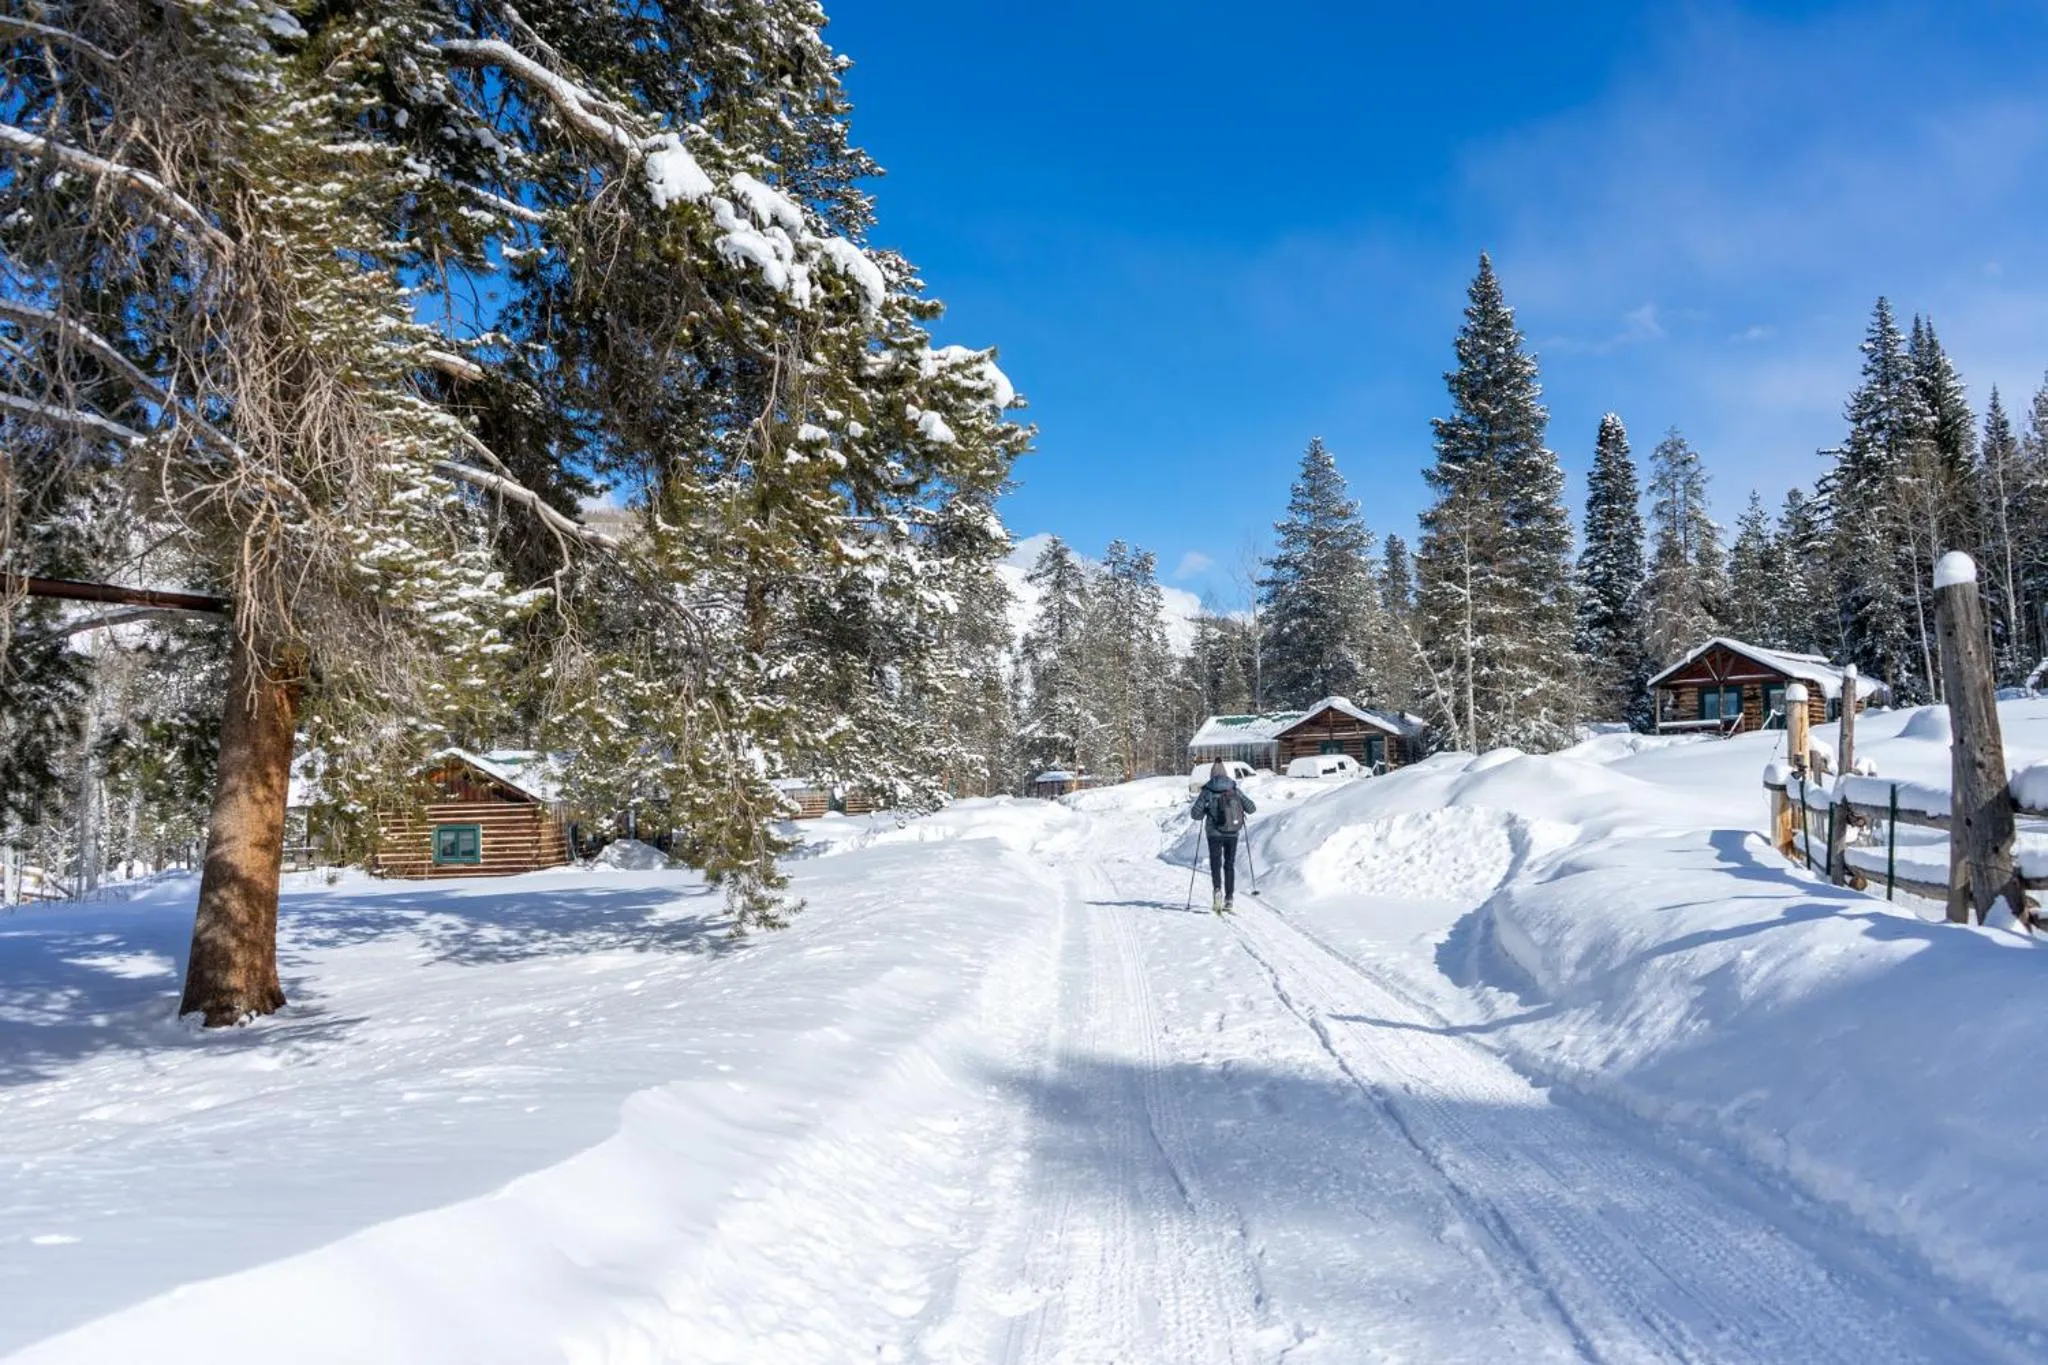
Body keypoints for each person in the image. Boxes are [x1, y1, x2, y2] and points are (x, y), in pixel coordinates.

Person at [1189, 761, 1256, 913]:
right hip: (1232, 833)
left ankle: (1217, 890)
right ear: (1226, 774)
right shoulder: (1234, 789)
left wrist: (1206, 810)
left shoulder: (1207, 791)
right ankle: (1229, 898)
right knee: (1229, 864)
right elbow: (1251, 808)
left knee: (1215, 864)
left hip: (1214, 834)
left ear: (1212, 775)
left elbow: (1195, 814)